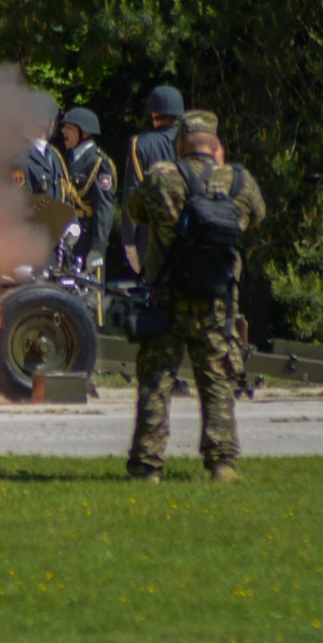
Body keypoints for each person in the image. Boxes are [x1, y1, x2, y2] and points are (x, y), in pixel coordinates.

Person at [125, 110, 266, 482]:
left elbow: (136, 211)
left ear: (180, 143)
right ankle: (222, 463)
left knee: (157, 382)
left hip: (168, 298)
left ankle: (148, 466)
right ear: (216, 144)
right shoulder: (238, 180)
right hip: (216, 300)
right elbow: (257, 215)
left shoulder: (161, 176)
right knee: (217, 380)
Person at [119, 84, 184, 275]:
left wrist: (129, 241)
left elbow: (133, 192)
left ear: (154, 114)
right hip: (186, 231)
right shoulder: (191, 143)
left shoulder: (140, 144)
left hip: (152, 236)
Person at [58, 106, 118, 276]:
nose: (63, 131)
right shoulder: (66, 157)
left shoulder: (99, 162)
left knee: (89, 288)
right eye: (64, 127)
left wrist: (97, 248)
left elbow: (104, 209)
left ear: (84, 133)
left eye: (69, 128)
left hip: (87, 236)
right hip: (67, 233)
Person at [11, 96, 65, 200]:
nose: (52, 123)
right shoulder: (19, 156)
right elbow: (22, 201)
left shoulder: (54, 155)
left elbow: (65, 196)